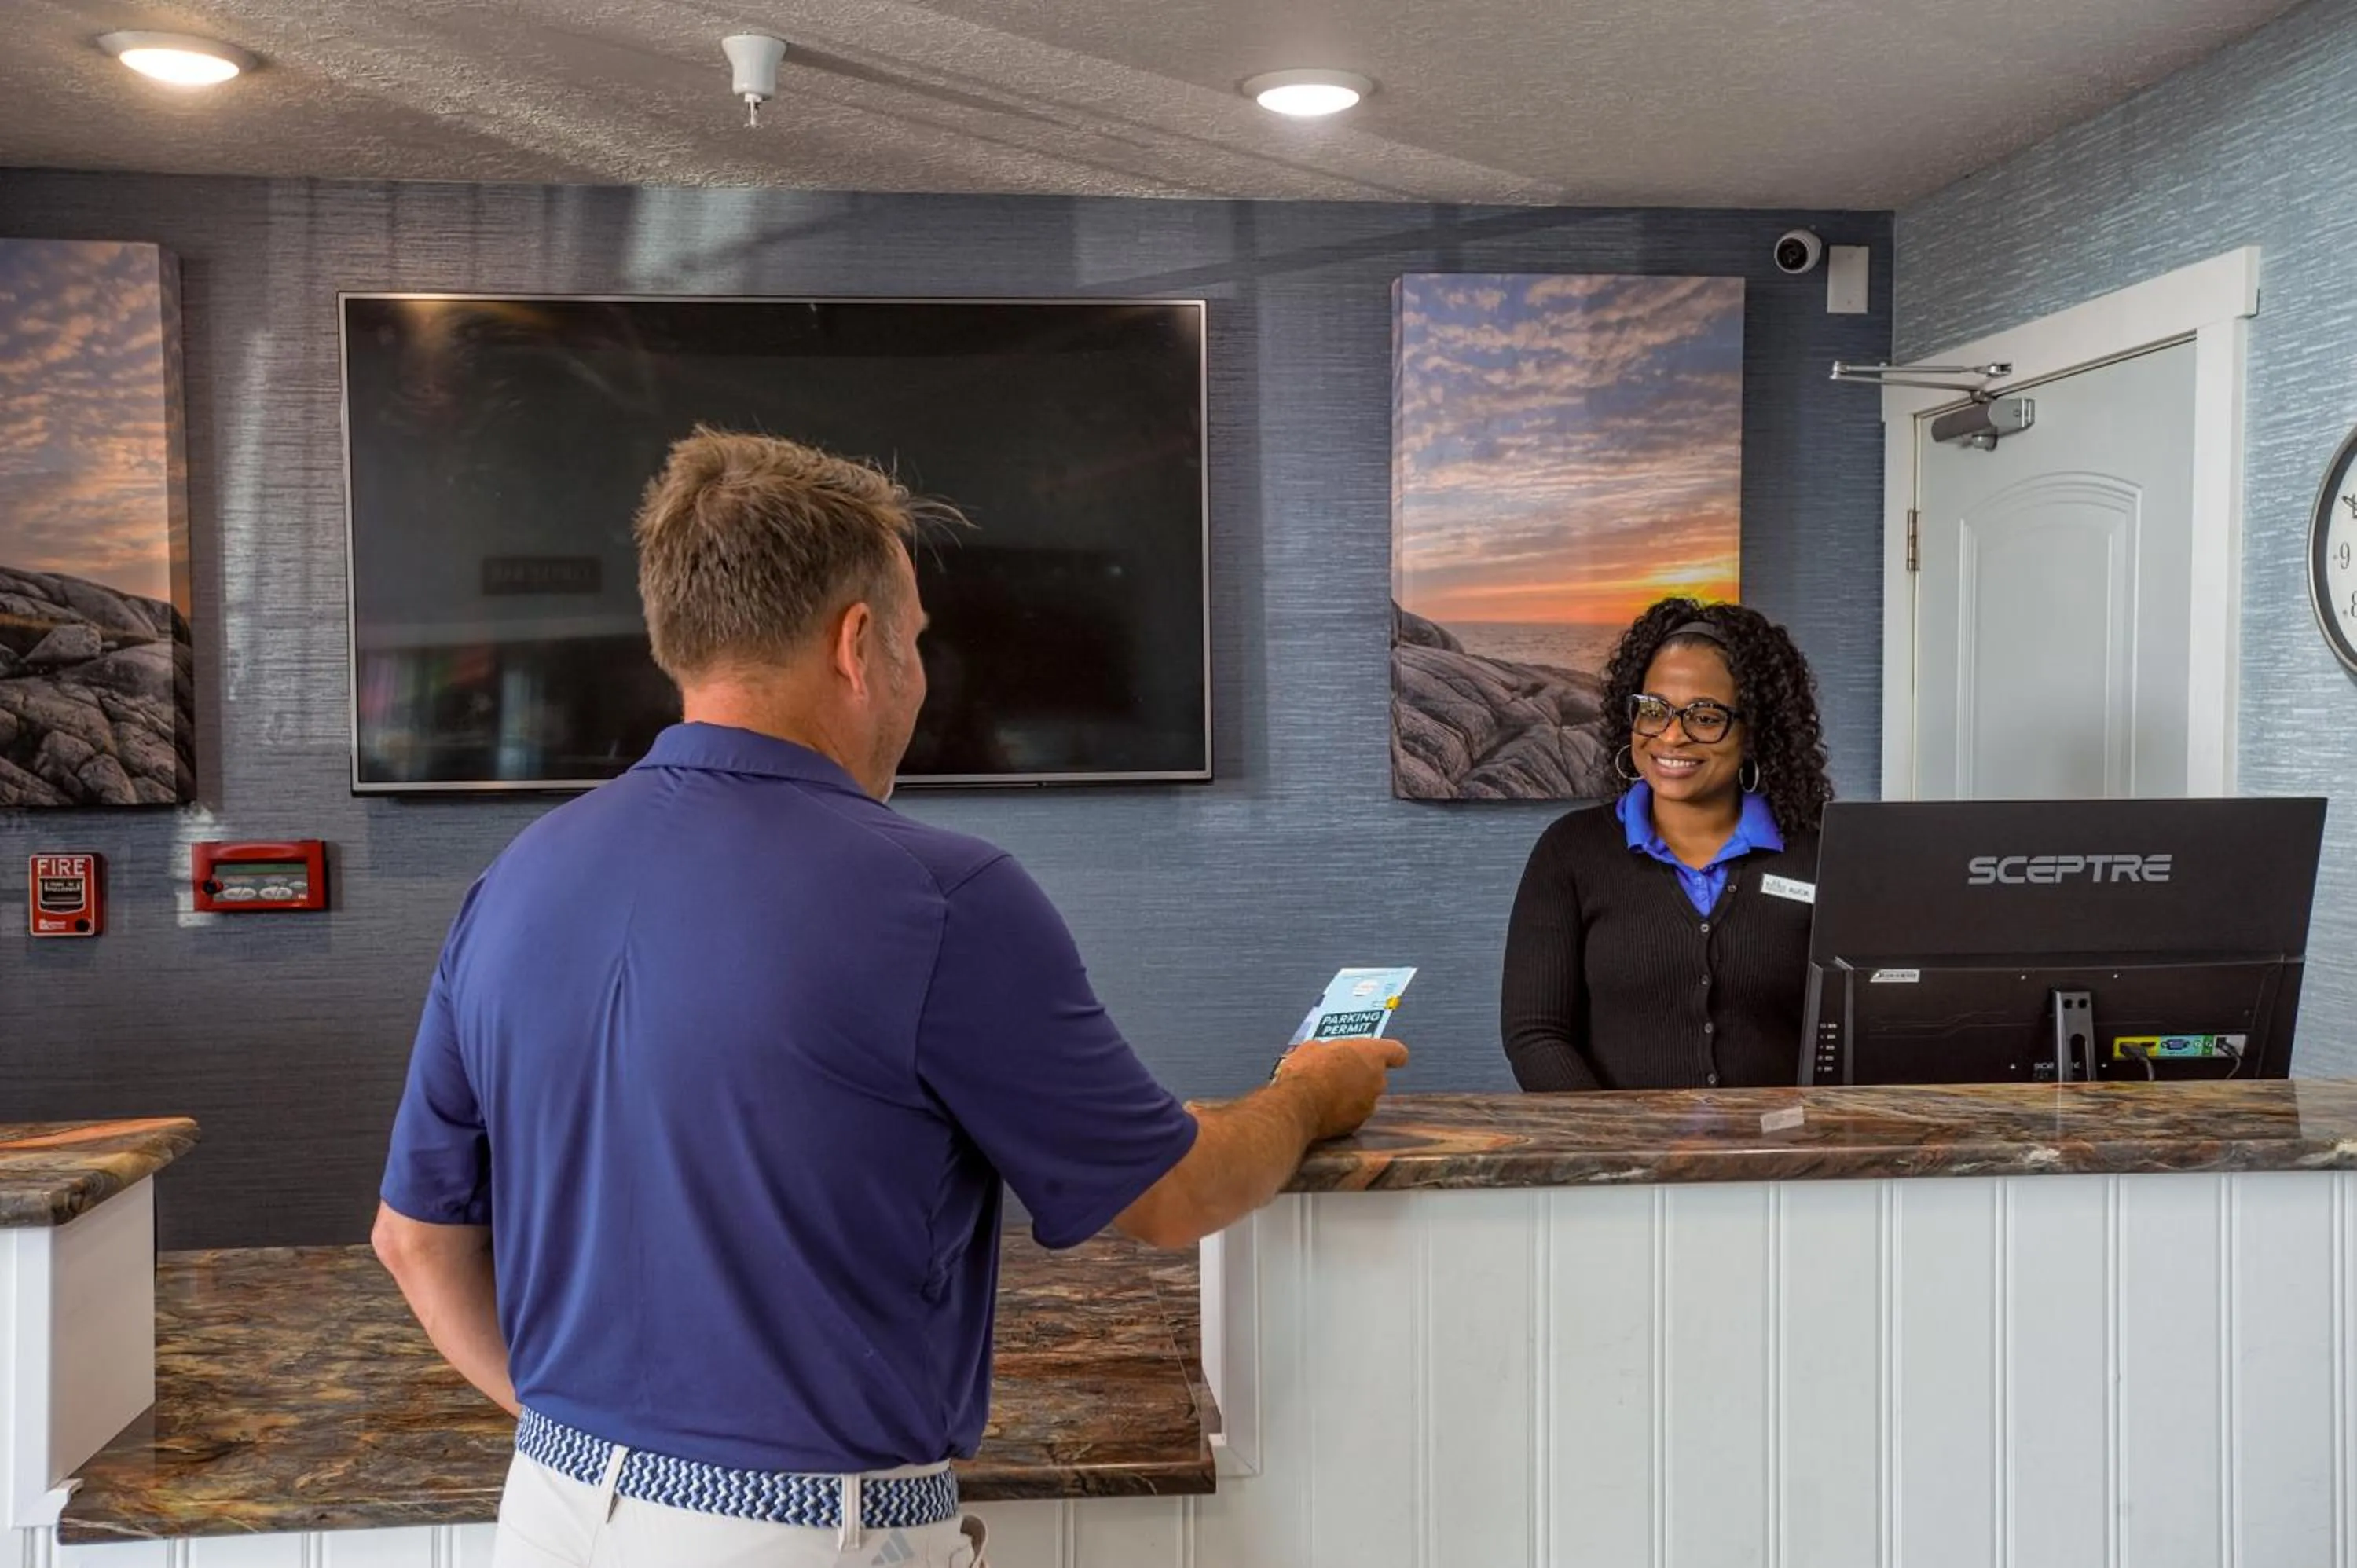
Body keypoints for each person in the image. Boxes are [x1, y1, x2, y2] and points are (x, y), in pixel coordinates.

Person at [371, 429, 1407, 1568]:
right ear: (858, 644)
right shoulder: (944, 898)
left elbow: (414, 1241)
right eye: (915, 639)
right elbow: (1174, 1195)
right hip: (792, 1540)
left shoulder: (514, 879)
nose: (919, 672)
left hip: (547, 1511)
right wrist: (1312, 1091)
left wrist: (606, 1460)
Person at [1500, 598, 1833, 1091]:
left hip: (1784, 1139)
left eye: (1705, 717)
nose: (1672, 737)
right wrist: (1616, 1136)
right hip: (1615, 1140)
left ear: (1755, 731)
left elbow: (1856, 1031)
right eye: (1654, 710)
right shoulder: (1571, 850)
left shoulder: (1820, 856)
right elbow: (1536, 1034)